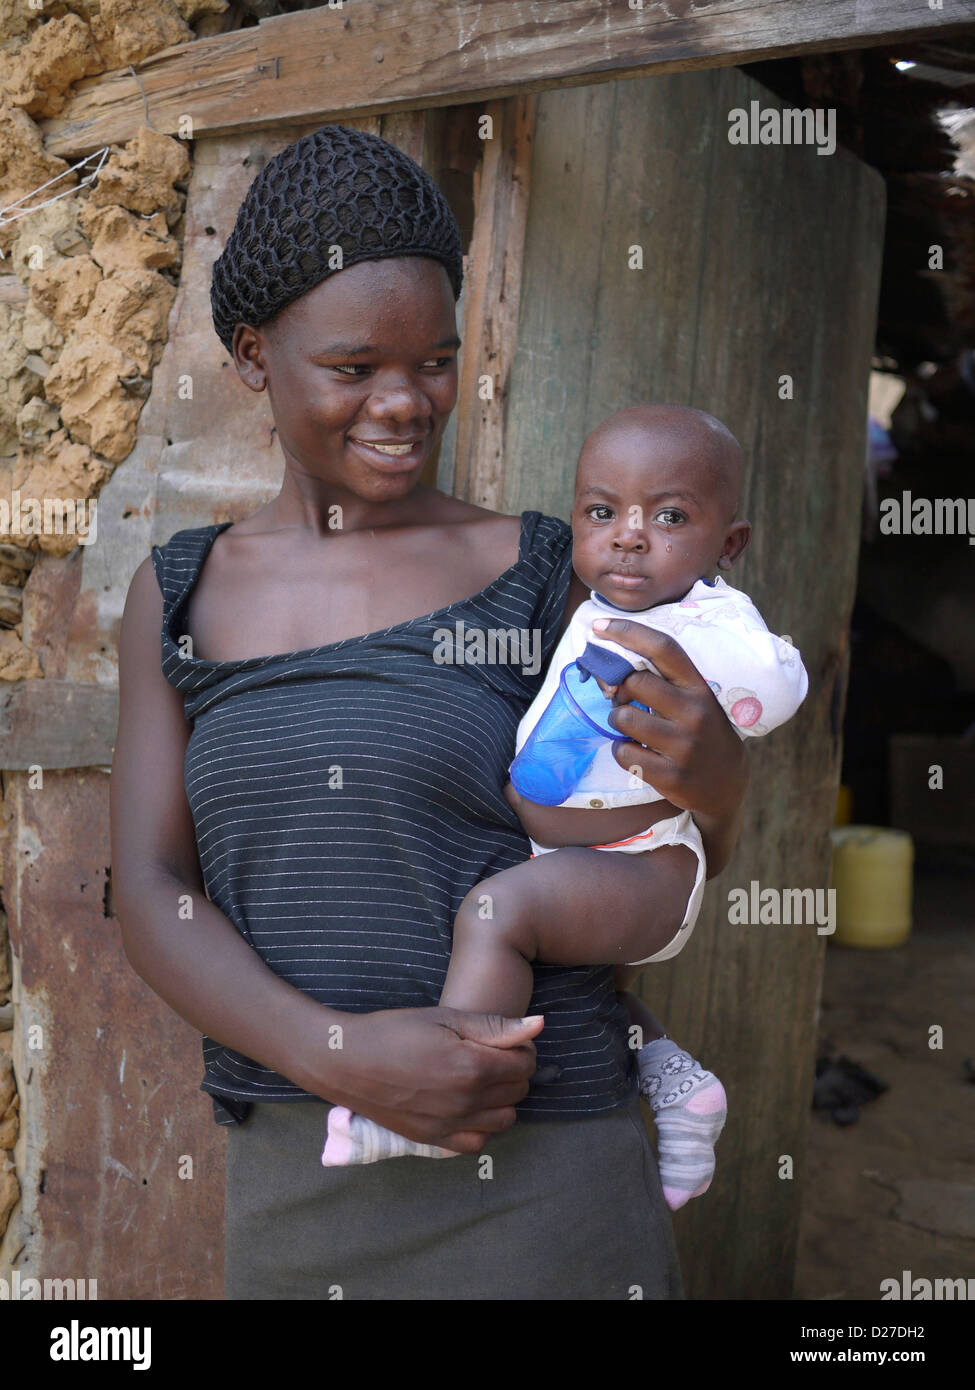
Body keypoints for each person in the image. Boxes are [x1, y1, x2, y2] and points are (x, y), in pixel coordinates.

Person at [110, 124, 750, 1300]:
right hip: (307, 1169)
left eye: (436, 362)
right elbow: (150, 889)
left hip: (550, 1168)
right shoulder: (180, 595)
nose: (404, 403)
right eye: (354, 369)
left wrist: (718, 784)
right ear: (253, 356)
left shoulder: (555, 576)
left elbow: (662, 858)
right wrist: (334, 1054)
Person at [323, 404, 809, 1214]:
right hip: (584, 856)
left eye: (670, 516)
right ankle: (681, 1090)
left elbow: (776, 683)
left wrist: (713, 684)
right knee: (578, 985)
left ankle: (444, 1093)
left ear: (727, 546)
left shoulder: (707, 623)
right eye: (601, 511)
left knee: (496, 911)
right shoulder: (600, 604)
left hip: (647, 861)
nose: (627, 535)